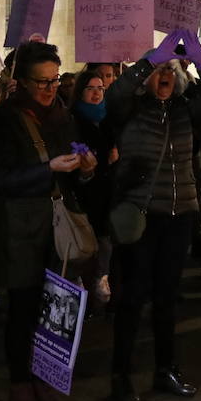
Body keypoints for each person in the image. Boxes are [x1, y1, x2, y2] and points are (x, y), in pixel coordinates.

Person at [106, 29, 201, 401]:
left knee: (166, 300)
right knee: (132, 298)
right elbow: (115, 94)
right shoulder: (132, 108)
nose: (165, 77)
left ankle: (165, 370)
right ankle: (122, 377)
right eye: (160, 72)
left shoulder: (184, 111)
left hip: (179, 216)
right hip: (143, 217)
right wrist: (151, 58)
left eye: (171, 72)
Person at [0, 41, 97, 401]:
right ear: (23, 82)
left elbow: (76, 174)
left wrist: (86, 167)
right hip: (21, 227)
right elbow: (2, 178)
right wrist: (49, 168)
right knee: (23, 309)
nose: (51, 89)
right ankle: (20, 386)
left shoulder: (64, 115)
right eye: (42, 82)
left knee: (56, 308)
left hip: (57, 227)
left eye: (55, 80)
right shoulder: (5, 119)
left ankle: (46, 382)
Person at [70, 67, 118, 306]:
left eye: (100, 88)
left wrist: (114, 155)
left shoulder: (108, 117)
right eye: (91, 89)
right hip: (84, 193)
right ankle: (82, 290)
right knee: (85, 245)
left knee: (105, 241)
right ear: (81, 92)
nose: (97, 93)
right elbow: (73, 149)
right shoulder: (74, 120)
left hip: (107, 192)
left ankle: (100, 281)